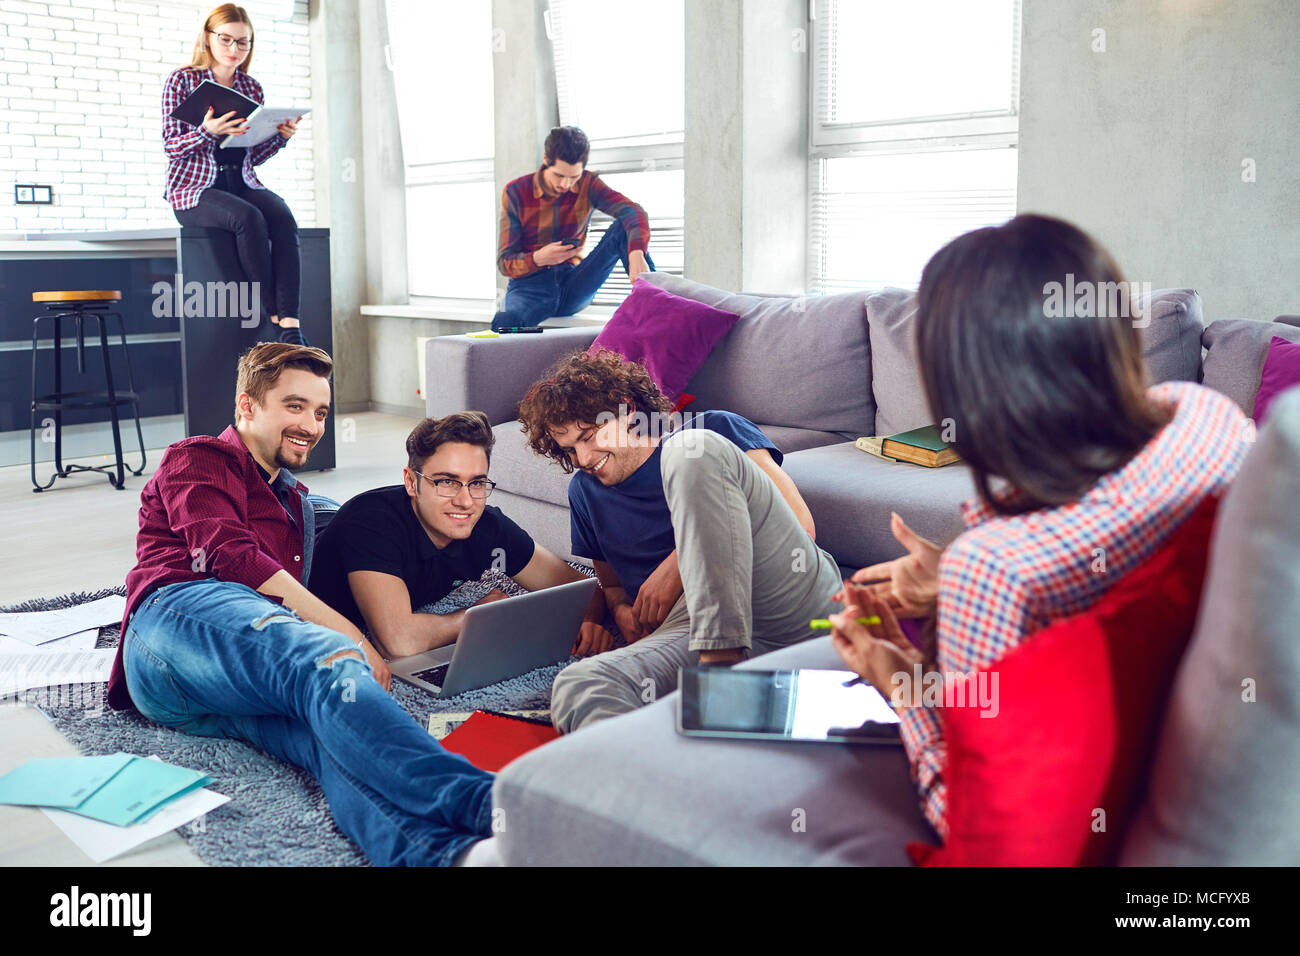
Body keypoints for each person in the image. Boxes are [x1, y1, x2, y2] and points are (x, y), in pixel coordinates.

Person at [826, 214, 1250, 840]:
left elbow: (976, 821)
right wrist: (954, 583)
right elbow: (1123, 578)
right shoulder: (1209, 417)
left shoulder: (997, 566)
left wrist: (902, 680)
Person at [109, 343, 493, 867]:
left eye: (319, 412)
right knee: (326, 661)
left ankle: (450, 855)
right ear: (247, 405)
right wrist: (352, 639)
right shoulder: (199, 456)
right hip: (174, 622)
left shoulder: (294, 500)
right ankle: (490, 804)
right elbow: (230, 557)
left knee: (330, 738)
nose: (311, 425)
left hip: (212, 692)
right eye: (294, 406)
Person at [516, 350, 842, 732]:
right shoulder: (585, 492)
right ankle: (672, 779)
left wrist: (677, 568)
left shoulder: (711, 430)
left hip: (784, 595)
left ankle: (721, 671)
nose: (584, 457)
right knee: (580, 684)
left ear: (627, 411)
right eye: (570, 448)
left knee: (688, 451)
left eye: (589, 437)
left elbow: (802, 527)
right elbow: (614, 586)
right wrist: (623, 611)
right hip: (688, 627)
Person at [307, 411, 613, 659]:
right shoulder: (371, 524)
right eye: (447, 482)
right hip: (312, 521)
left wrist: (588, 621)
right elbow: (398, 643)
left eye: (476, 482)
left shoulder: (486, 526)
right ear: (411, 483)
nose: (465, 501)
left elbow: (584, 587)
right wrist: (474, 616)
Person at [162, 3, 307, 344]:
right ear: (208, 38)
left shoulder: (251, 88)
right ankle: (275, 316)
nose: (234, 50)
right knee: (249, 218)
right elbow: (171, 147)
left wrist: (279, 138)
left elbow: (252, 156)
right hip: (194, 190)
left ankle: (291, 323)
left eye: (243, 42)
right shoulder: (182, 79)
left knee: (283, 217)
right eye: (226, 40)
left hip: (240, 181)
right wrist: (207, 131)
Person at [492, 126, 655, 332]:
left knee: (624, 227)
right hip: (529, 288)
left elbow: (633, 211)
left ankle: (657, 303)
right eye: (559, 175)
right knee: (504, 323)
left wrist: (636, 253)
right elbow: (505, 263)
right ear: (545, 160)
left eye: (574, 177)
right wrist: (539, 258)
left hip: (574, 284)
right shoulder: (516, 191)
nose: (566, 184)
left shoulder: (588, 184)